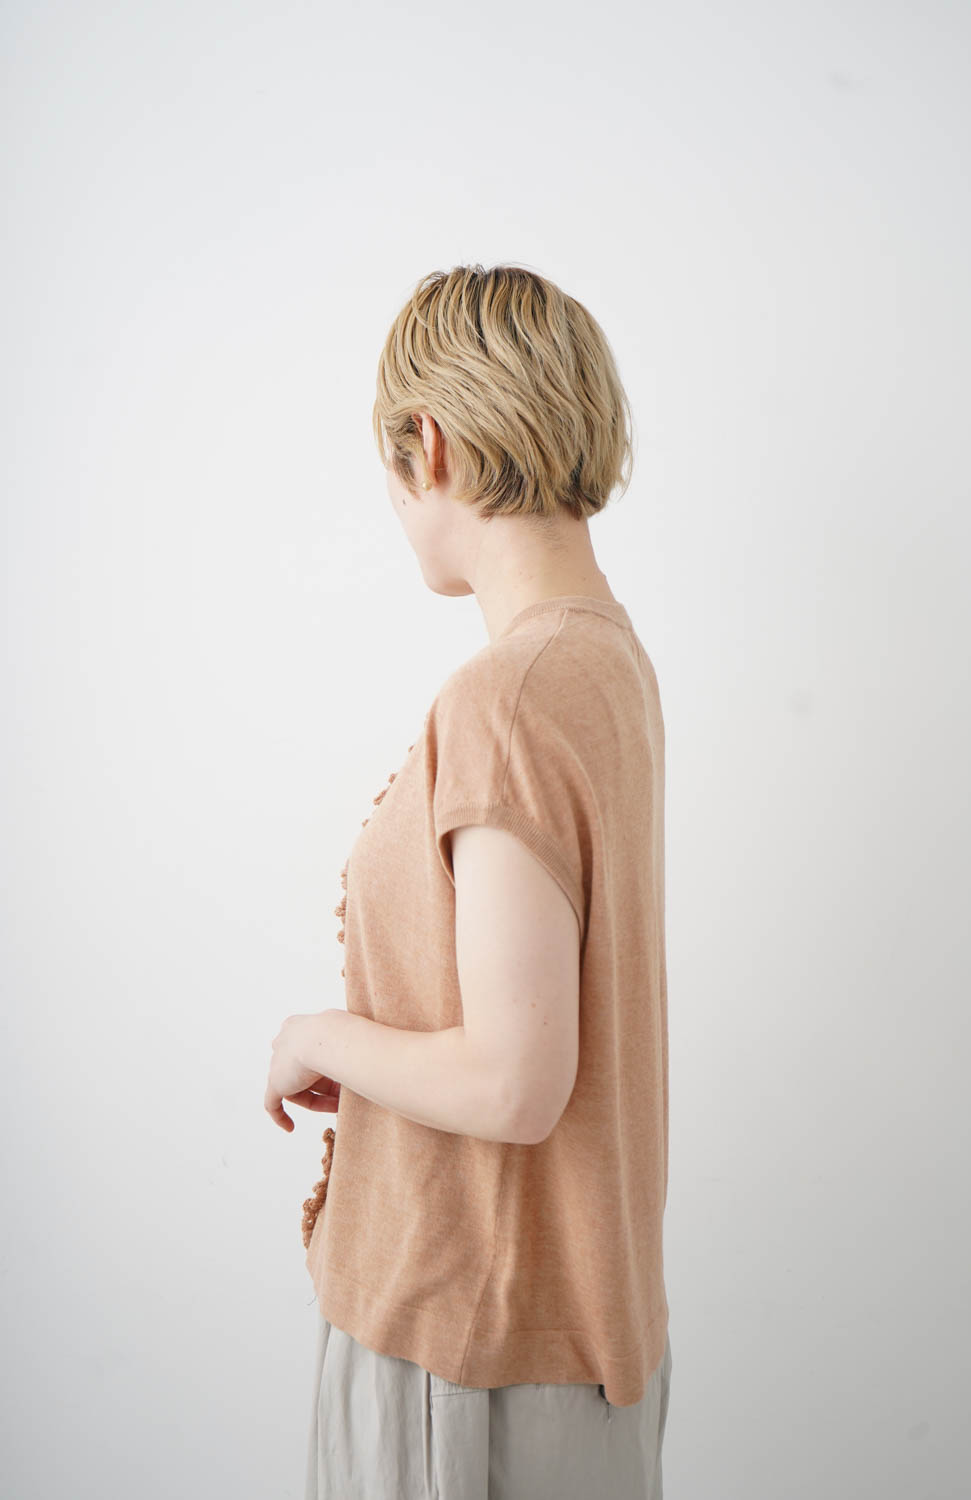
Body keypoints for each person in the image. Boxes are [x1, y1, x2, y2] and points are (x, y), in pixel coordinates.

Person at [266, 263, 672, 1499]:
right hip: (552, 1350)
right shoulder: (607, 662)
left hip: (467, 1357)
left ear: (428, 443)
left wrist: (316, 1036)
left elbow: (512, 1082)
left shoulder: (507, 699)